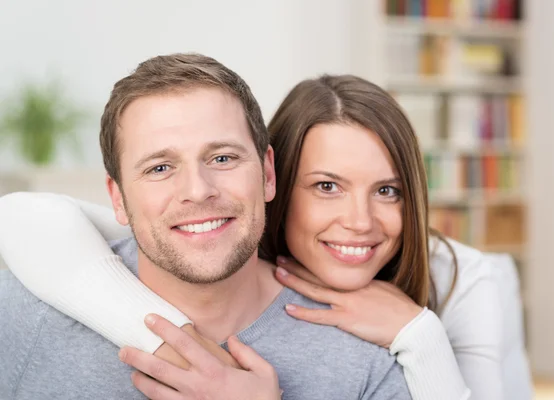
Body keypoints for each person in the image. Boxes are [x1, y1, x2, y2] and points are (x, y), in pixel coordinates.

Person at [0, 53, 412, 400]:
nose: (198, 191)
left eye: (222, 159)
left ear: (268, 173)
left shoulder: (363, 360)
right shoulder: (22, 319)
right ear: (117, 198)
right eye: (160, 167)